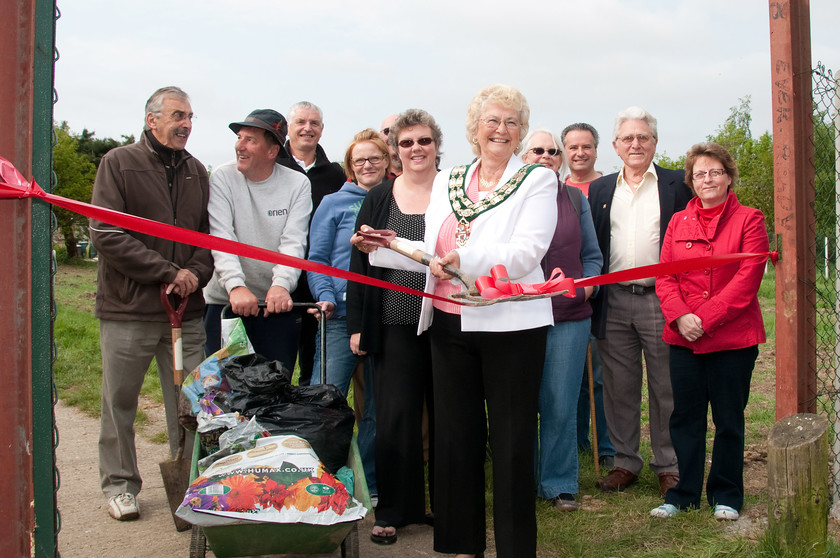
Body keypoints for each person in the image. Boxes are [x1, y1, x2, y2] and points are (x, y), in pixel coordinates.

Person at [358, 84, 557, 558]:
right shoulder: (453, 179)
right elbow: (432, 256)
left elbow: (528, 252)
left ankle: (513, 549)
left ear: (521, 130)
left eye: (511, 122)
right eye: (492, 120)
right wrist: (388, 249)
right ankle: (461, 545)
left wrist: (462, 258)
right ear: (474, 129)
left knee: (510, 444)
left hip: (511, 327)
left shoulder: (538, 180)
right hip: (448, 326)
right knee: (454, 440)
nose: (501, 130)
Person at [90, 86, 213, 521]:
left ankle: (194, 481)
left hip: (186, 312)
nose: (186, 123)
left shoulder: (198, 171)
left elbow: (205, 237)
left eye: (191, 116)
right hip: (130, 310)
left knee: (191, 403)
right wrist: (167, 272)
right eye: (178, 115)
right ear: (151, 119)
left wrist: (194, 274)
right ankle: (121, 485)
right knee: (119, 400)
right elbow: (105, 233)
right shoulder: (119, 163)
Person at [650, 142, 768, 521]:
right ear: (691, 182)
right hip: (683, 337)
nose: (707, 179)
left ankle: (727, 495)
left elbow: (748, 280)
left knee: (729, 419)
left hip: (732, 338)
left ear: (729, 176)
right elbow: (665, 276)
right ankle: (683, 494)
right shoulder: (678, 222)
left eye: (715, 172)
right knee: (685, 417)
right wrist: (681, 316)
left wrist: (705, 317)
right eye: (700, 174)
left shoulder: (750, 220)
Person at [347, 109, 441, 544]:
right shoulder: (380, 196)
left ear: (436, 144)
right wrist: (358, 327)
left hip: (448, 324)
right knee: (395, 417)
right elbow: (359, 264)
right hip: (394, 322)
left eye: (423, 140)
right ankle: (395, 509)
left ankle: (448, 506)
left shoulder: (455, 193)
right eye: (406, 143)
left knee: (448, 418)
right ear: (395, 150)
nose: (416, 149)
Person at [588, 106, 692, 497]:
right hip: (613, 301)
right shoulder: (601, 189)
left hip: (662, 297)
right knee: (619, 385)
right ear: (615, 146)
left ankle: (669, 463)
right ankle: (625, 462)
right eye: (628, 138)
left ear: (655, 143)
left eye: (643, 137)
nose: (636, 144)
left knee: (667, 385)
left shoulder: (677, 186)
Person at [307, 129, 390, 503]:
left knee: (377, 407)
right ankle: (313, 479)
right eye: (360, 160)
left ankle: (368, 483)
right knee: (324, 400)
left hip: (385, 318)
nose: (368, 165)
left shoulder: (396, 201)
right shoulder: (333, 204)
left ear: (387, 163)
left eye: (375, 158)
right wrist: (324, 295)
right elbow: (318, 257)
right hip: (339, 316)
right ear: (350, 167)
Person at [524, 129, 602, 512]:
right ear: (523, 156)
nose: (546, 156)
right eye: (537, 150)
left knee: (559, 400)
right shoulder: (507, 197)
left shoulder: (572, 197)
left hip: (568, 316)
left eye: (553, 151)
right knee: (519, 402)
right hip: (516, 316)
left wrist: (586, 289)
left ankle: (558, 484)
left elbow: (593, 256)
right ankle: (519, 479)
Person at [203, 109, 311, 371]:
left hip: (276, 304)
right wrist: (235, 287)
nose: (240, 145)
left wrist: (282, 285)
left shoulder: (297, 184)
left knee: (274, 388)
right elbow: (221, 235)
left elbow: (293, 241)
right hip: (227, 302)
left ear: (272, 151)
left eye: (250, 140)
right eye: (240, 137)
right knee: (225, 391)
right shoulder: (222, 177)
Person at [277, 101, 346, 386]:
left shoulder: (335, 175)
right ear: (288, 128)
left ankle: (306, 424)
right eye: (301, 122)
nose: (308, 128)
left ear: (321, 130)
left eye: (314, 123)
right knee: (277, 366)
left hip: (318, 285)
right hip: (279, 282)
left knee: (313, 367)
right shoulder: (274, 167)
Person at [561, 122, 615, 469]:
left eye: (586, 146)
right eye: (573, 147)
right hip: (562, 296)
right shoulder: (554, 188)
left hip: (601, 290)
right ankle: (580, 441)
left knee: (600, 375)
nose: (579, 153)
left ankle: (607, 445)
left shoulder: (608, 187)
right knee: (573, 376)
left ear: (597, 149)